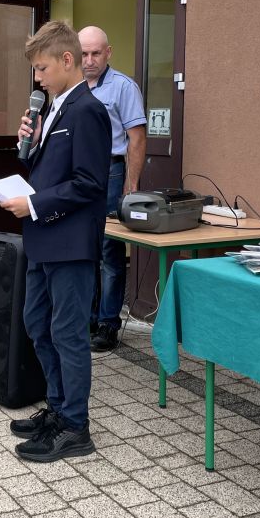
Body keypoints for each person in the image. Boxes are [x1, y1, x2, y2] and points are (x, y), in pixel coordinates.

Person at [0, 21, 111, 463]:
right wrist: (27, 145)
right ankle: (59, 408)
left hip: (70, 243)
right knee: (37, 324)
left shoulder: (87, 110)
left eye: (42, 68)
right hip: (44, 239)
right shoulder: (54, 109)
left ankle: (75, 427)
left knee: (67, 333)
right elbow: (47, 172)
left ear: (67, 60)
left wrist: (34, 203)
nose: (37, 78)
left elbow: (89, 183)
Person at [78, 26, 147, 352]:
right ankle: (88, 318)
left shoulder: (123, 87)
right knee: (84, 249)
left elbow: (137, 138)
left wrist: (131, 186)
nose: (89, 60)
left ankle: (108, 323)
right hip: (78, 174)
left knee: (109, 251)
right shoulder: (73, 86)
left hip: (110, 172)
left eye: (96, 53)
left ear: (108, 53)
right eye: (84, 54)